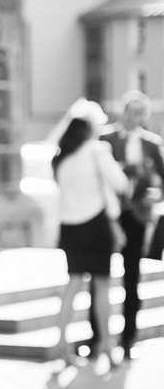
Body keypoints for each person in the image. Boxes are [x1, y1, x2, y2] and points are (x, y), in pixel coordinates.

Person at [52, 100, 128, 370]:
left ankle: (61, 343)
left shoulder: (60, 156)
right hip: (95, 226)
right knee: (102, 288)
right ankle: (107, 346)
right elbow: (120, 183)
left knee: (71, 286)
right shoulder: (97, 150)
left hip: (69, 227)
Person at [101, 91, 164, 359]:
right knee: (100, 275)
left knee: (131, 277)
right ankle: (98, 338)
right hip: (108, 216)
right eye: (131, 110)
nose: (134, 116)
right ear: (123, 110)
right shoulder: (105, 139)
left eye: (140, 112)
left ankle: (128, 339)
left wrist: (156, 196)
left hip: (137, 215)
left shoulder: (151, 143)